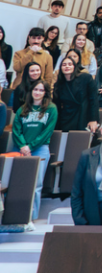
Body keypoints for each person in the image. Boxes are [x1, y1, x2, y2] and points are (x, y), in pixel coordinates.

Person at [13, 81, 57, 222]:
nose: (37, 92)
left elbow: (47, 132)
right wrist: (23, 146)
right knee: (20, 182)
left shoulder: (51, 109)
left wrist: (30, 146)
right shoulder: (22, 109)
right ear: (31, 91)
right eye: (35, 89)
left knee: (36, 184)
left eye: (41, 90)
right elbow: (16, 130)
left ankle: (32, 217)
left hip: (40, 149)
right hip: (21, 149)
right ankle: (19, 215)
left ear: (45, 93)